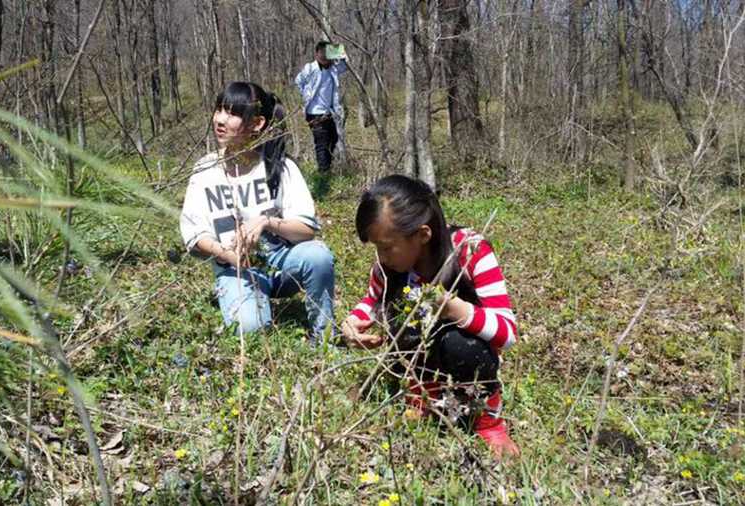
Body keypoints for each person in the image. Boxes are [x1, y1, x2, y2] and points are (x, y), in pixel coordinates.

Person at [341, 174, 520, 457]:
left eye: (387, 246)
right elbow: (371, 300)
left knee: (460, 344)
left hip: (465, 355)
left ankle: (488, 421)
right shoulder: (389, 268)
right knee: (400, 316)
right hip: (417, 361)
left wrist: (455, 309)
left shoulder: (470, 252)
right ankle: (422, 398)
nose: (381, 256)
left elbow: (507, 333)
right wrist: (352, 322)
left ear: (423, 234)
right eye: (377, 247)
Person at [180, 81, 335, 342]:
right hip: (234, 268)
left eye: (232, 114)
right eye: (219, 110)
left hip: (280, 262)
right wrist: (228, 255)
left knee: (318, 256)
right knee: (250, 330)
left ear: (257, 123)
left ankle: (324, 336)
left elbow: (307, 230)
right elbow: (194, 236)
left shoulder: (280, 167)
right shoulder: (205, 170)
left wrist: (267, 222)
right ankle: (246, 300)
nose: (220, 120)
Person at [295, 40, 346, 173]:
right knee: (322, 143)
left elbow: (344, 65)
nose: (323, 56)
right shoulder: (310, 68)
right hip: (314, 112)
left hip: (328, 112)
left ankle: (327, 168)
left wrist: (337, 51)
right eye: (321, 52)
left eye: (326, 52)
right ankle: (323, 173)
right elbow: (298, 81)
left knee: (333, 139)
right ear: (316, 54)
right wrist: (306, 94)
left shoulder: (333, 69)